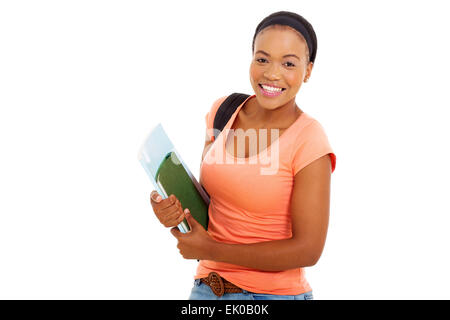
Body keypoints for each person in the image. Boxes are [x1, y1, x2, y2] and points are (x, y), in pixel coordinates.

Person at [150, 11, 336, 300]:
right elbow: (213, 207)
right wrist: (175, 212)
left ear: (308, 71)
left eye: (288, 63)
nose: (272, 73)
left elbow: (308, 250)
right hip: (207, 290)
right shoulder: (223, 111)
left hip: (272, 296)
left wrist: (211, 250)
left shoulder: (309, 138)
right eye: (262, 59)